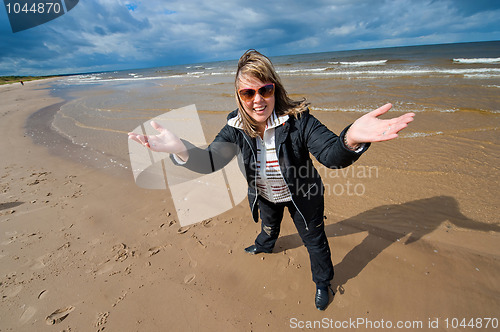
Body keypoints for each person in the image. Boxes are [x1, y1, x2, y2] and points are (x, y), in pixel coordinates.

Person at [128, 50, 415, 310]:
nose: (257, 100)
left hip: (303, 196)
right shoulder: (235, 127)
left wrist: (351, 137)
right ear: (238, 96)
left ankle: (323, 282)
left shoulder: (300, 121)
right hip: (265, 194)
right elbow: (211, 160)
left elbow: (331, 155)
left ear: (275, 88)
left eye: (265, 90)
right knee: (269, 226)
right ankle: (266, 244)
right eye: (248, 93)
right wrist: (180, 149)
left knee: (314, 241)